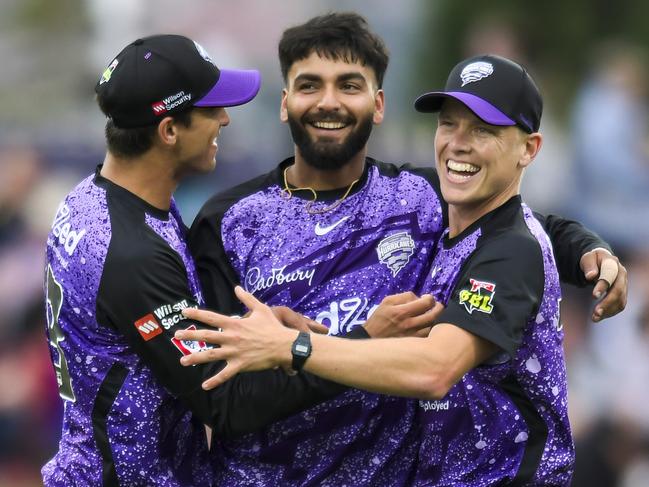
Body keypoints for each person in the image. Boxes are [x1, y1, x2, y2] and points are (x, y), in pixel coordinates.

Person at [186, 13, 625, 486]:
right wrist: (335, 344)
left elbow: (521, 225)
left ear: (377, 105)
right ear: (285, 102)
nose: (329, 102)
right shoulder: (228, 219)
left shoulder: (421, 196)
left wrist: (588, 250)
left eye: (349, 85)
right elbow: (219, 402)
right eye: (310, 85)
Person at [42, 33, 335, 486]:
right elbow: (225, 403)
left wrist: (246, 327)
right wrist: (346, 351)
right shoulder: (131, 251)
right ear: (170, 131)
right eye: (211, 109)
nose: (225, 119)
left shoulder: (99, 197)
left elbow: (154, 328)